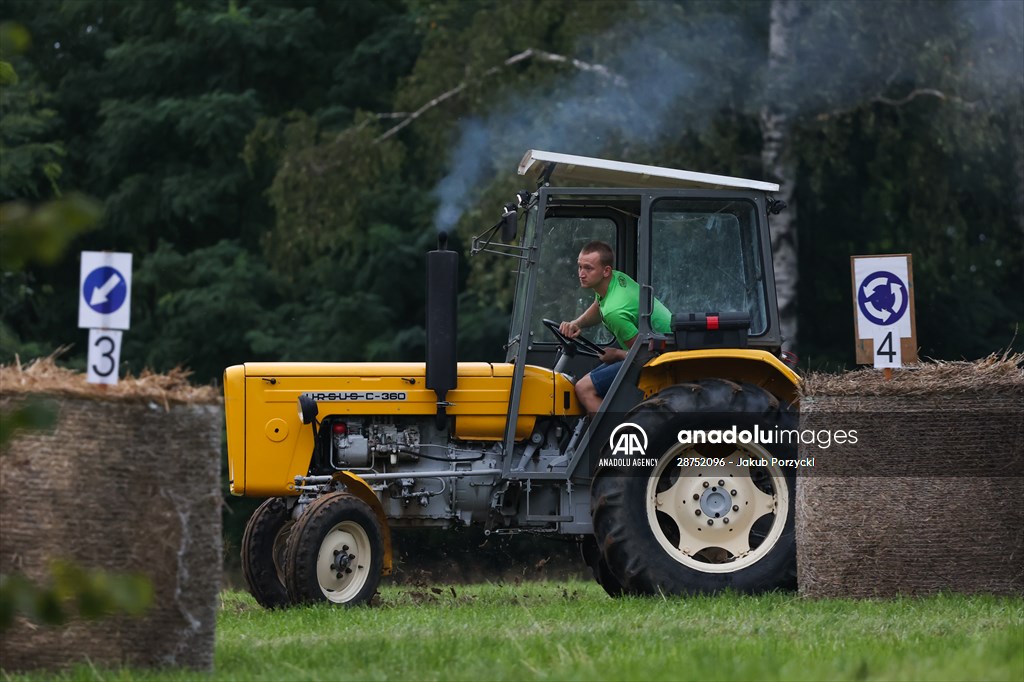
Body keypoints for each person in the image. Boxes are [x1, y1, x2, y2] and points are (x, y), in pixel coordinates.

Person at [559, 241, 671, 415]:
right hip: (652, 348)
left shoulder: (615, 311)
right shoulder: (613, 281)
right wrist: (577, 323)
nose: (581, 274)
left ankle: (616, 437)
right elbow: (599, 304)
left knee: (583, 388)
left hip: (661, 356)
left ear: (606, 271)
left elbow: (643, 356)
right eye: (580, 267)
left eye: (588, 268)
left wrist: (617, 354)